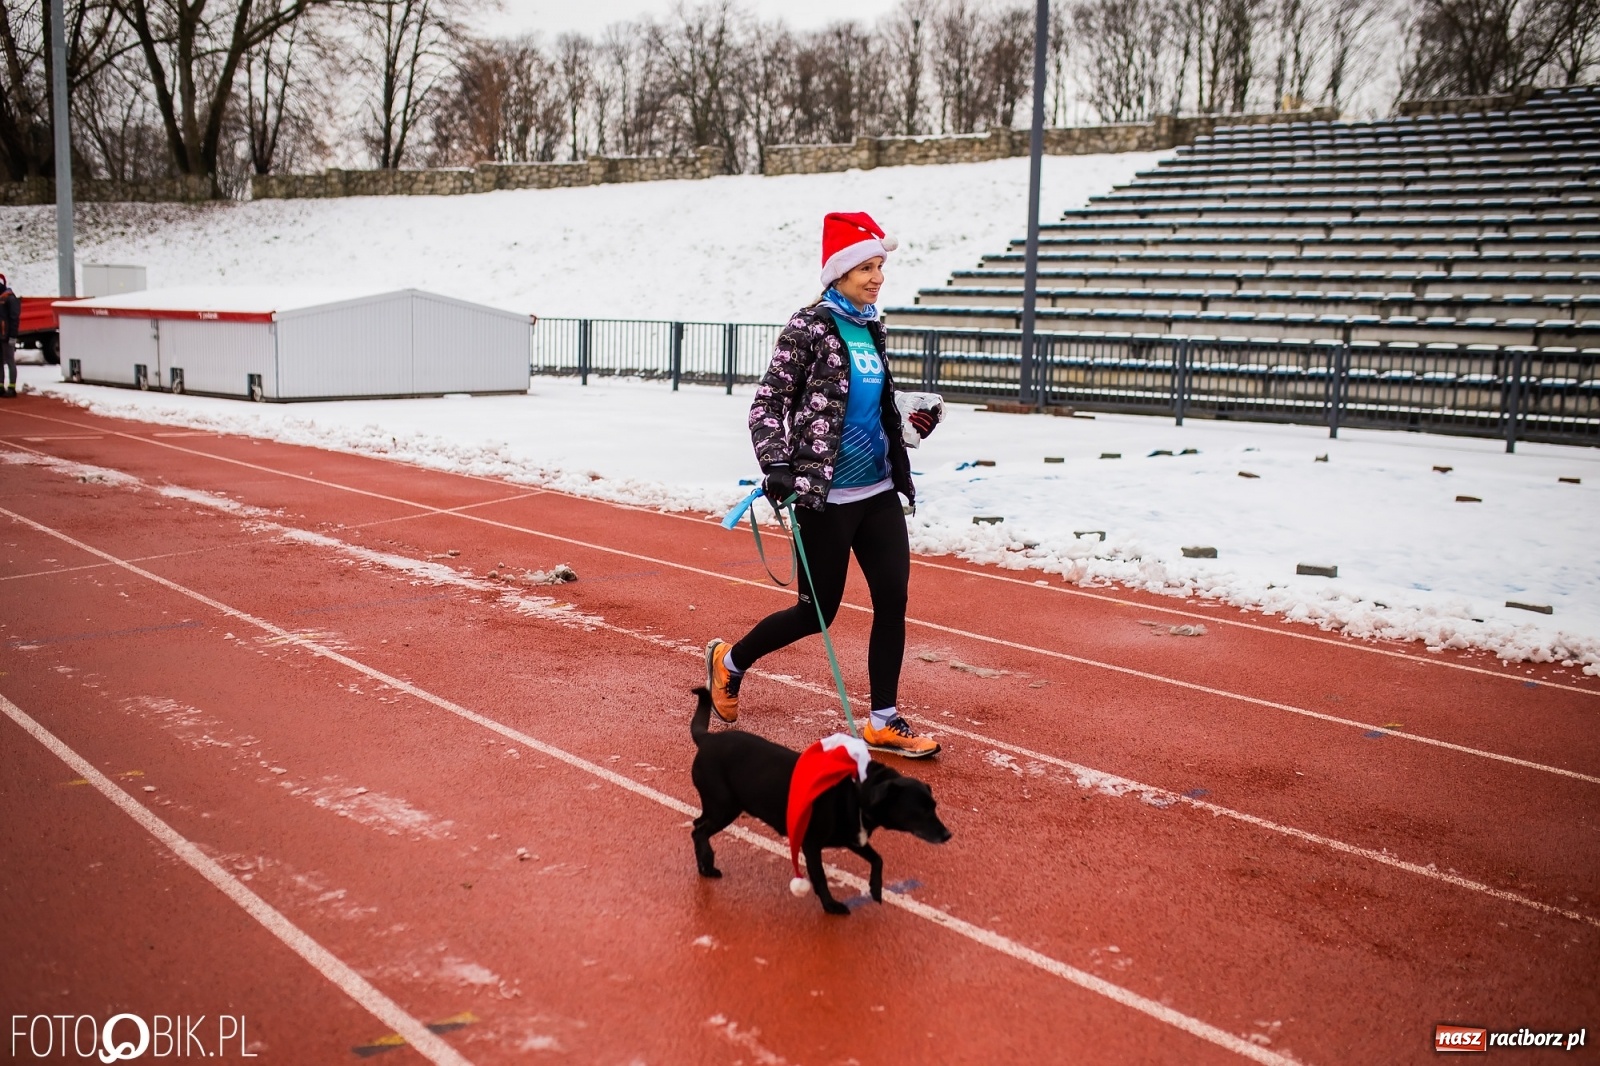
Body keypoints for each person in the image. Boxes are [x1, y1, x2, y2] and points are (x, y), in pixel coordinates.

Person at [706, 211, 942, 758]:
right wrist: (777, 465)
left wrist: (906, 421)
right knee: (817, 612)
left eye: (880, 266)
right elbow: (768, 405)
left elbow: (863, 403)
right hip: (824, 496)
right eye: (866, 267)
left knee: (893, 599)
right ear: (837, 272)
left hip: (878, 491)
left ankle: (883, 719)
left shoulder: (872, 325)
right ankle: (730, 662)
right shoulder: (808, 327)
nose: (877, 277)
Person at [0, 274, 18, 398]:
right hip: (0, 335)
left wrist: (12, 336)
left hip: (6, 335)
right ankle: (0, 385)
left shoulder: (10, 299)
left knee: (10, 361)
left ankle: (12, 387)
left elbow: (14, 318)